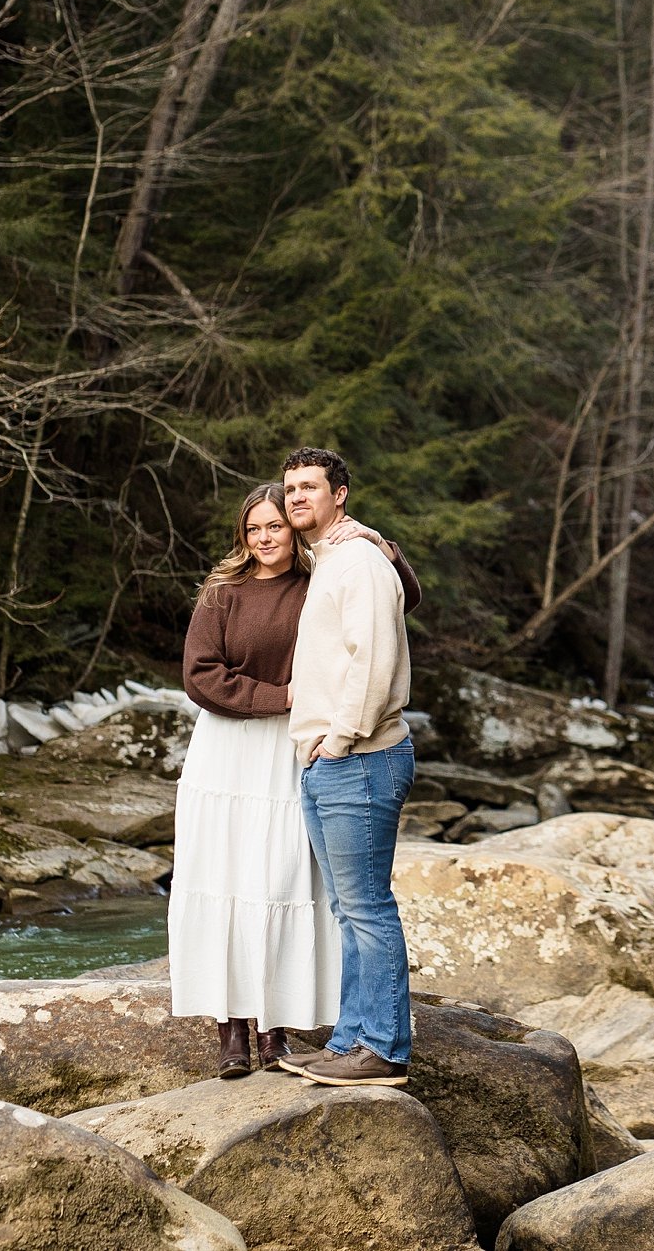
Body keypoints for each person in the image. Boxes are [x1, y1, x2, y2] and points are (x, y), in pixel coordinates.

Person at [167, 483, 341, 1077]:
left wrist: (375, 544)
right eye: (254, 529)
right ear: (244, 537)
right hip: (224, 750)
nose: (265, 538)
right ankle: (231, 1034)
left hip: (288, 750)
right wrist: (278, 695)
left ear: (295, 529)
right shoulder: (224, 593)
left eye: (275, 526)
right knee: (223, 878)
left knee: (280, 879)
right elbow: (199, 675)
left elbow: (402, 599)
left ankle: (276, 1031)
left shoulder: (322, 582)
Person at [276, 445, 417, 1087]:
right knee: (349, 910)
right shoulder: (333, 558)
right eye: (291, 489)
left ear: (340, 494)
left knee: (366, 908)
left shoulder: (358, 560)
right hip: (336, 762)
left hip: (358, 758)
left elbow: (373, 659)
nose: (298, 497)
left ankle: (383, 1049)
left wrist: (338, 739)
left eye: (310, 487)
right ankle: (349, 1040)